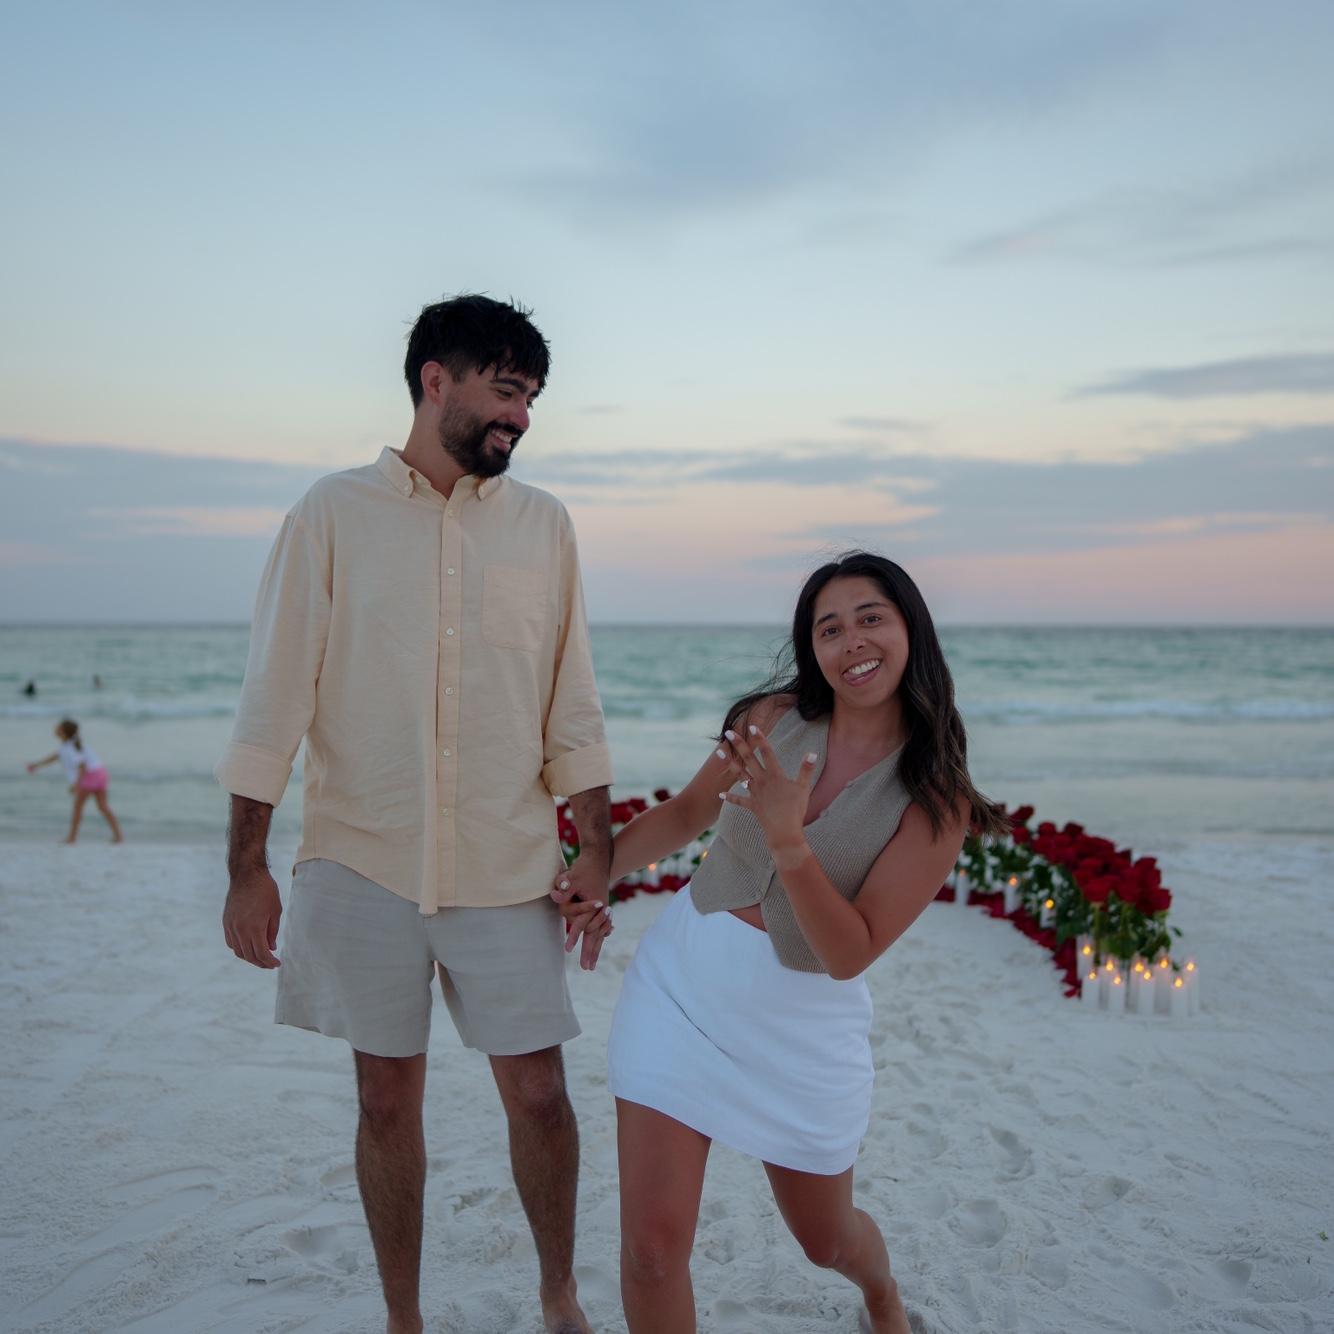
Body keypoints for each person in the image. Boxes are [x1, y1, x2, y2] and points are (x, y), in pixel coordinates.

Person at [217, 295, 615, 1334]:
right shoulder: (329, 513)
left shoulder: (544, 526)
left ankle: (559, 1295)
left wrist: (597, 848)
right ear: (436, 380)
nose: (520, 416)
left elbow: (571, 703)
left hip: (505, 861)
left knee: (540, 1095)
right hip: (363, 857)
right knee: (385, 1099)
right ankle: (405, 1317)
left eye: (531, 398)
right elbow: (274, 699)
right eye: (505, 389)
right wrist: (246, 866)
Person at [555, 551, 1005, 1334]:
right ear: (813, 647)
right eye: (829, 628)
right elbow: (687, 813)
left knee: (826, 1242)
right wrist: (597, 870)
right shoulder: (770, 718)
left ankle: (881, 1292)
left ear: (910, 629)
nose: (851, 641)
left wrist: (789, 840)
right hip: (680, 992)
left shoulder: (935, 800)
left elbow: (851, 953)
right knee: (652, 1250)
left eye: (871, 618)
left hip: (800, 1030)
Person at [26, 718, 124, 844]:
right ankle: (118, 835)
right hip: (100, 773)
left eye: (58, 727)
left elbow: (82, 766)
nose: (55, 728)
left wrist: (76, 785)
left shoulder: (70, 747)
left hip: (89, 776)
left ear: (63, 731)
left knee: (78, 808)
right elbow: (55, 757)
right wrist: (37, 765)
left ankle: (72, 837)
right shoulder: (70, 745)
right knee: (103, 807)